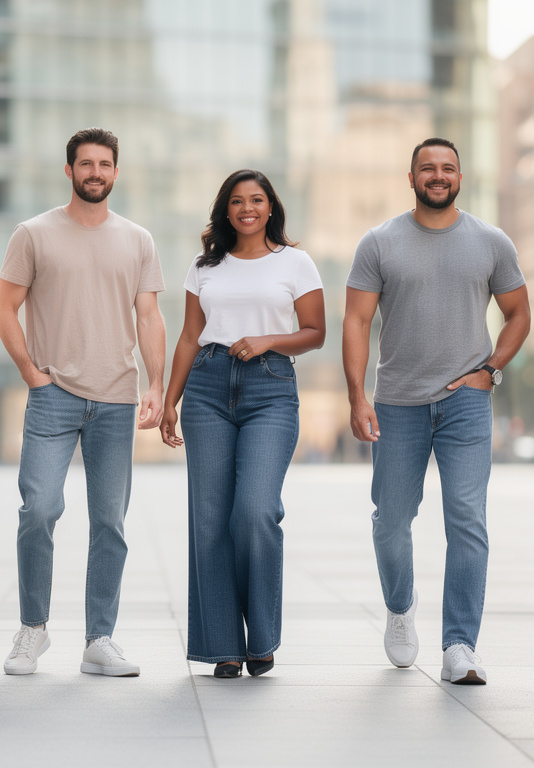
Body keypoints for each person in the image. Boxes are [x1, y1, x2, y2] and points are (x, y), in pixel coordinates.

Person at [343, 138, 530, 685]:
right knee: (391, 522)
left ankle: (459, 645)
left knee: (467, 520)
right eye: (428, 168)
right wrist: (356, 394)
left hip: (466, 403)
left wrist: (491, 370)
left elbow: (518, 313)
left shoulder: (490, 242)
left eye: (448, 167)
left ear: (460, 176)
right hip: (397, 403)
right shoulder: (379, 243)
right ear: (411, 177)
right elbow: (356, 322)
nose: (438, 175)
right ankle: (401, 606)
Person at [0, 127, 166, 677]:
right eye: (86, 163)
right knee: (38, 510)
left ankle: (100, 639)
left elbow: (148, 316)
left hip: (116, 399)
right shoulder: (34, 234)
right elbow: (5, 309)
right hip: (53, 397)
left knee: (109, 523)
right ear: (69, 170)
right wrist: (30, 372)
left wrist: (157, 386)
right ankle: (32, 630)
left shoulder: (138, 239)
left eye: (105, 164)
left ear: (116, 172)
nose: (95, 172)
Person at [160, 170, 325, 678]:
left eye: (256, 200)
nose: (246, 208)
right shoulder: (203, 264)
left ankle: (263, 637)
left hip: (269, 389)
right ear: (225, 210)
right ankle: (223, 646)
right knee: (209, 520)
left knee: (254, 510)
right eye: (237, 201)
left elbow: (316, 332)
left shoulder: (295, 263)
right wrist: (170, 400)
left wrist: (268, 340)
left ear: (271, 206)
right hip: (207, 388)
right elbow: (189, 335)